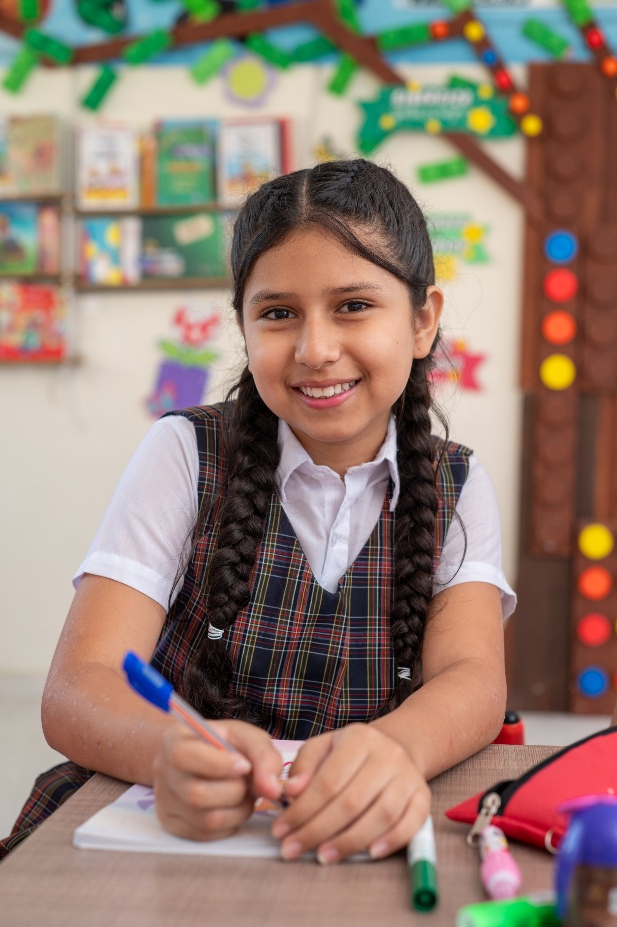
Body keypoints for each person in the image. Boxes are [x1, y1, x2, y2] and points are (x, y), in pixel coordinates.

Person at [0, 159, 515, 864]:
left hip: (344, 845)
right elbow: (77, 687)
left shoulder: (458, 483)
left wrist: (395, 749)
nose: (315, 349)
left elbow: (473, 677)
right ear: (243, 326)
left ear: (422, 319)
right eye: (277, 313)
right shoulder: (183, 452)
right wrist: (167, 754)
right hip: (155, 834)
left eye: (353, 305)